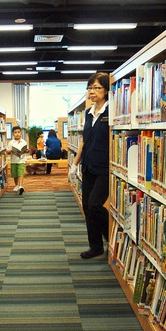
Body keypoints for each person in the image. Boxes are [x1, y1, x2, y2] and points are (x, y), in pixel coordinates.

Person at [68, 72, 110, 259]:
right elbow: (84, 141)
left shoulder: (112, 111)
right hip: (88, 166)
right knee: (87, 206)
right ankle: (96, 246)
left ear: (107, 90)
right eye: (90, 88)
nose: (92, 92)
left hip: (104, 168)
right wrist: (74, 164)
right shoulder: (88, 113)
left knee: (95, 205)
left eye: (96, 88)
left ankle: (112, 237)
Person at [6, 125, 28, 194]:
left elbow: (26, 150)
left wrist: (27, 151)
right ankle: (17, 185)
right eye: (15, 132)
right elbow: (8, 152)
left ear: (21, 133)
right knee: (14, 174)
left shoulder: (24, 142)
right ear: (13, 134)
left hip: (21, 160)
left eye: (19, 132)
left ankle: (21, 186)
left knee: (20, 173)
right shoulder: (11, 143)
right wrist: (10, 151)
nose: (17, 134)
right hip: (13, 161)